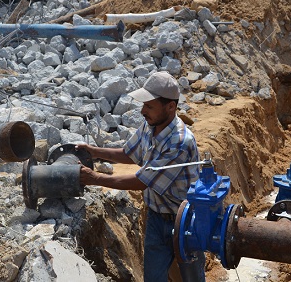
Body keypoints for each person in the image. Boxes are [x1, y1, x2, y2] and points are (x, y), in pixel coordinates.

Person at [76, 71, 206, 282]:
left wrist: (95, 178)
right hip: (156, 217)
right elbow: (129, 153)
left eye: (149, 106)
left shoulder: (179, 142)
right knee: (153, 278)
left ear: (170, 107)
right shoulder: (150, 125)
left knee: (190, 278)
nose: (143, 111)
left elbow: (141, 181)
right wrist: (94, 150)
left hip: (185, 222)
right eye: (144, 104)